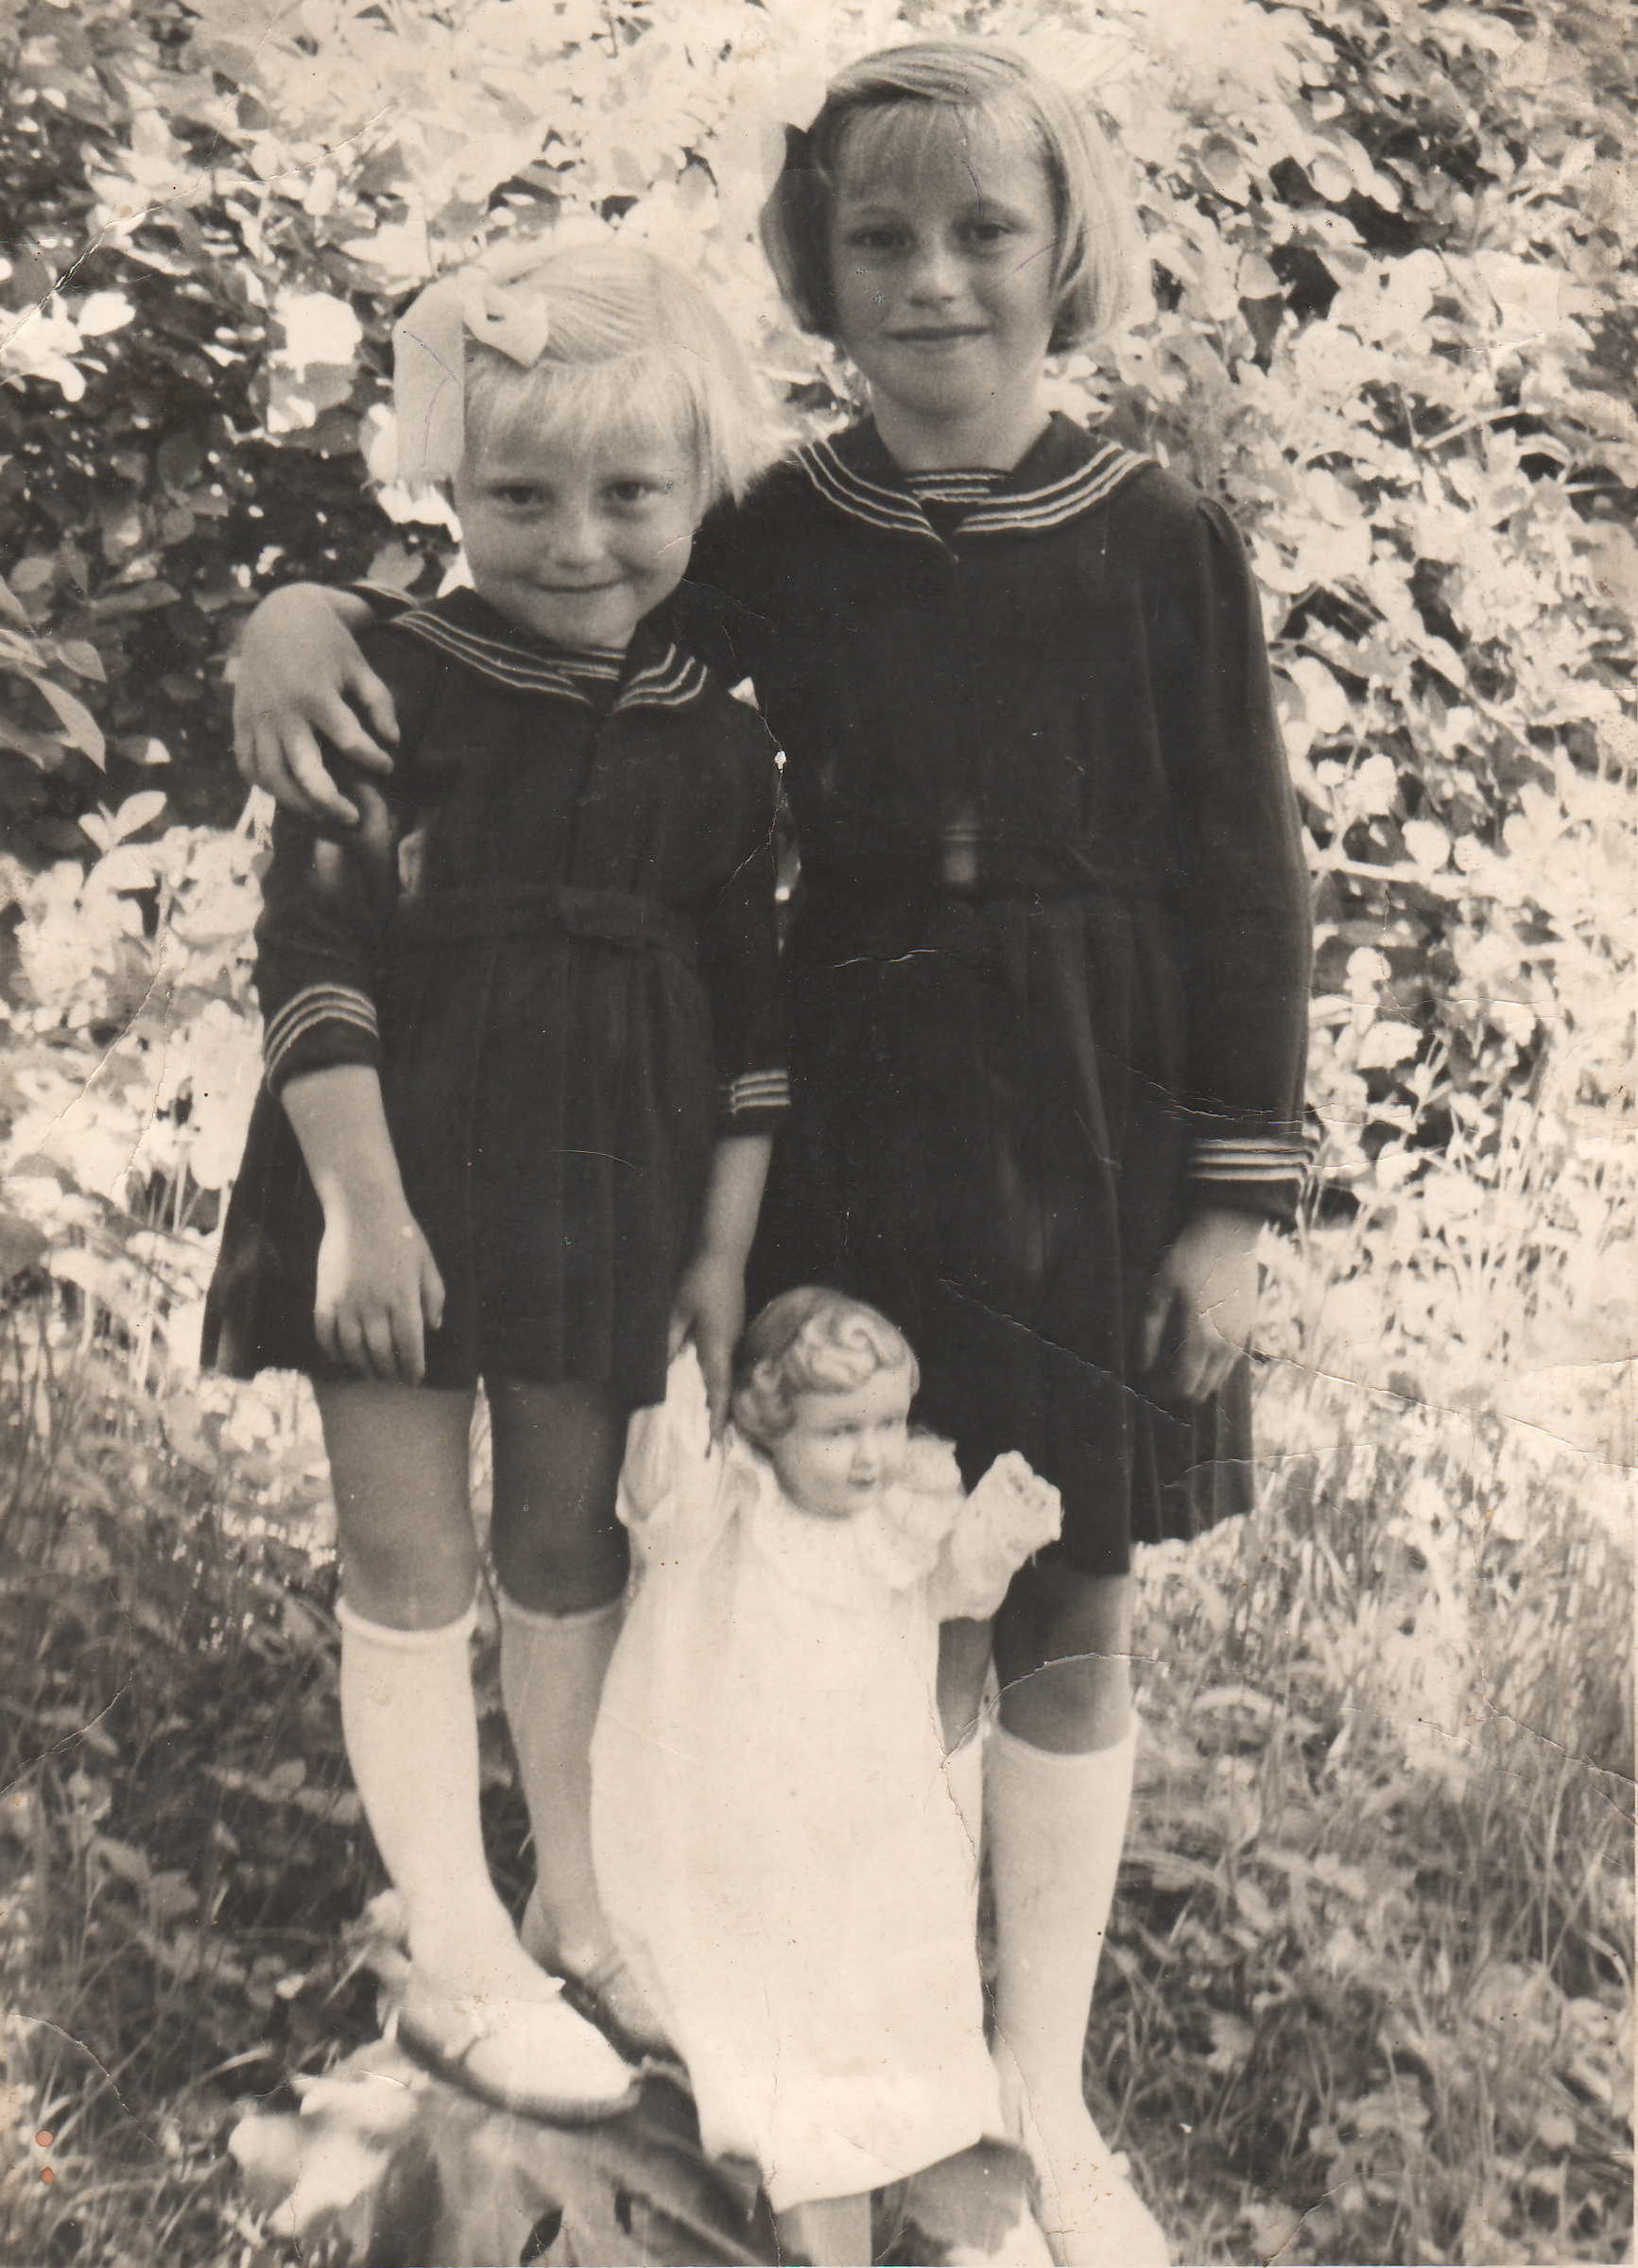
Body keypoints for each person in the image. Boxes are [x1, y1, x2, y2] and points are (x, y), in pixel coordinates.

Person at [229, 38, 1313, 2263]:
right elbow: (535, 607)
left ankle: (1040, 2092)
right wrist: (295, 613)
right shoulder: (762, 531)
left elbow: (1243, 874)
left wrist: (1227, 1204)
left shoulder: (1156, 539)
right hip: (838, 1118)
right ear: (814, 271)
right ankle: (843, 2045)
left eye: (981, 230)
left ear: (1063, 249)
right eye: (875, 237)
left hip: (1088, 1118)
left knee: (1058, 1597)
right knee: (835, 1590)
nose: (930, 280)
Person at [204, 237, 787, 2121]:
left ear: (694, 490)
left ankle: (577, 1905)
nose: (577, 542)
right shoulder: (389, 681)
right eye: (519, 498)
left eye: (628, 496)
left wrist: (717, 1252)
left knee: (568, 1544)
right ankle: (451, 1948)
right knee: (411, 1555)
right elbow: (312, 958)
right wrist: (362, 1212)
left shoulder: (719, 731)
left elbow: (753, 1010)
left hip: (605, 1184)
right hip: (391, 1169)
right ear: (446, 490)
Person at [593, 1289, 1061, 2268]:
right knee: (784, 2022)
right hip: (752, 1823)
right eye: (839, 1432)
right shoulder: (734, 1506)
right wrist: (680, 1387)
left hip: (866, 1820)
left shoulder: (900, 1510)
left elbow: (951, 1592)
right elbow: (659, 1502)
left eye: (886, 1425)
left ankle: (943, 2206)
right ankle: (824, 2218)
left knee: (892, 1996)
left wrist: (992, 1534)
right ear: (768, 1419)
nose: (870, 1456)